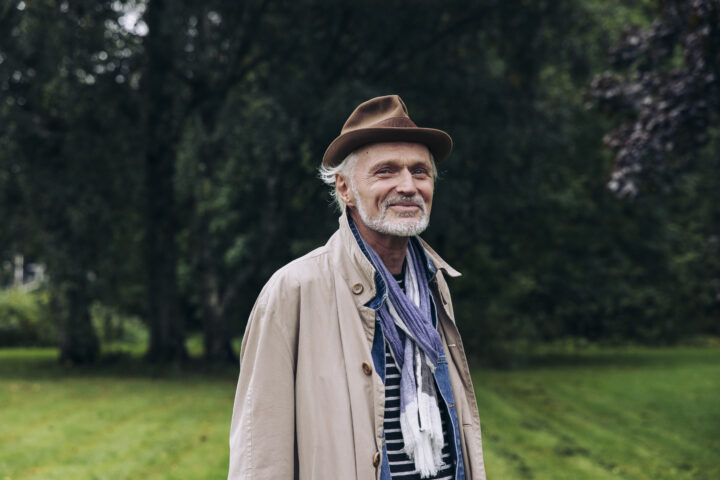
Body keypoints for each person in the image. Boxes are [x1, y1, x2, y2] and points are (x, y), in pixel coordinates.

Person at [228, 95, 486, 480]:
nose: (408, 186)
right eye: (386, 171)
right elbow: (259, 457)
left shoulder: (433, 284)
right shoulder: (293, 290)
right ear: (344, 188)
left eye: (420, 172)